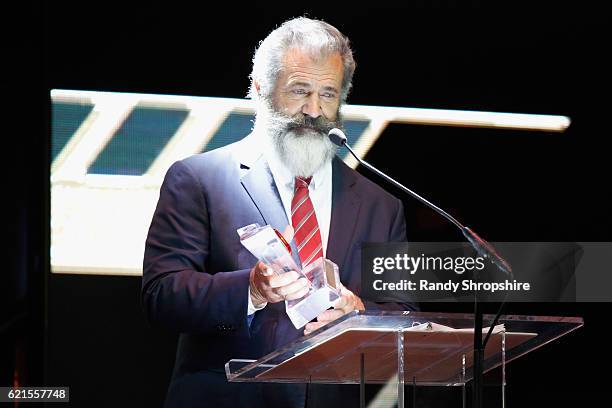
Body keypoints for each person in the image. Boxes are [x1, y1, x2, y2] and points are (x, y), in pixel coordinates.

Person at [142, 17, 416, 407]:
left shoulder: (380, 205)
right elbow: (161, 297)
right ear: (259, 88)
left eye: (328, 94)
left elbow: (404, 317)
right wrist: (250, 289)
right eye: (299, 90)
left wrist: (359, 314)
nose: (314, 109)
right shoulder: (198, 179)